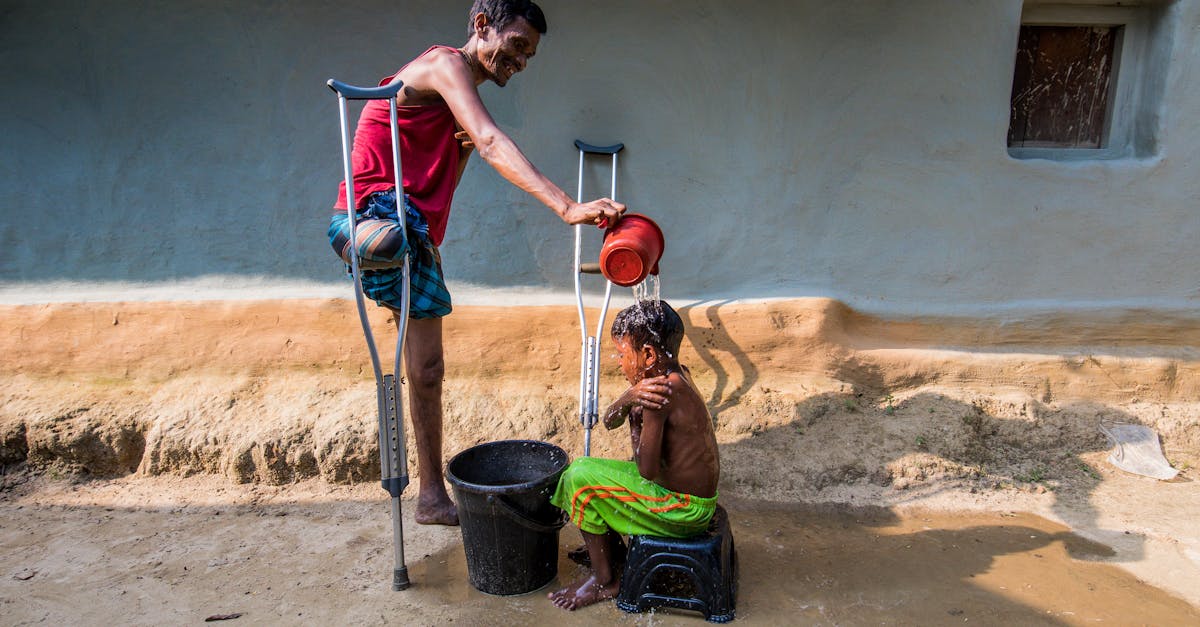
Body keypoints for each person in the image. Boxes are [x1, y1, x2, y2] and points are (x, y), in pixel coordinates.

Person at [328, 0, 627, 526]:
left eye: (530, 55)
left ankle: (430, 497)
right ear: (481, 25)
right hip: (375, 214)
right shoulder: (444, 65)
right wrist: (567, 206)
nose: (522, 62)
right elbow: (491, 140)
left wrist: (461, 154)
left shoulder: (451, 103)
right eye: (516, 46)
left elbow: (444, 184)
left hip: (417, 235)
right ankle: (362, 241)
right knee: (392, 241)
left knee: (428, 369)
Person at [548, 300, 721, 611]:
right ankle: (608, 551)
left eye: (622, 354)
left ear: (649, 355)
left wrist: (636, 420)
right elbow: (609, 419)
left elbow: (646, 470)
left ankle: (605, 580)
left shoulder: (659, 396)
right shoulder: (678, 374)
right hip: (690, 501)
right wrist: (628, 398)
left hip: (681, 510)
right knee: (585, 466)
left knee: (579, 479)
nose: (618, 362)